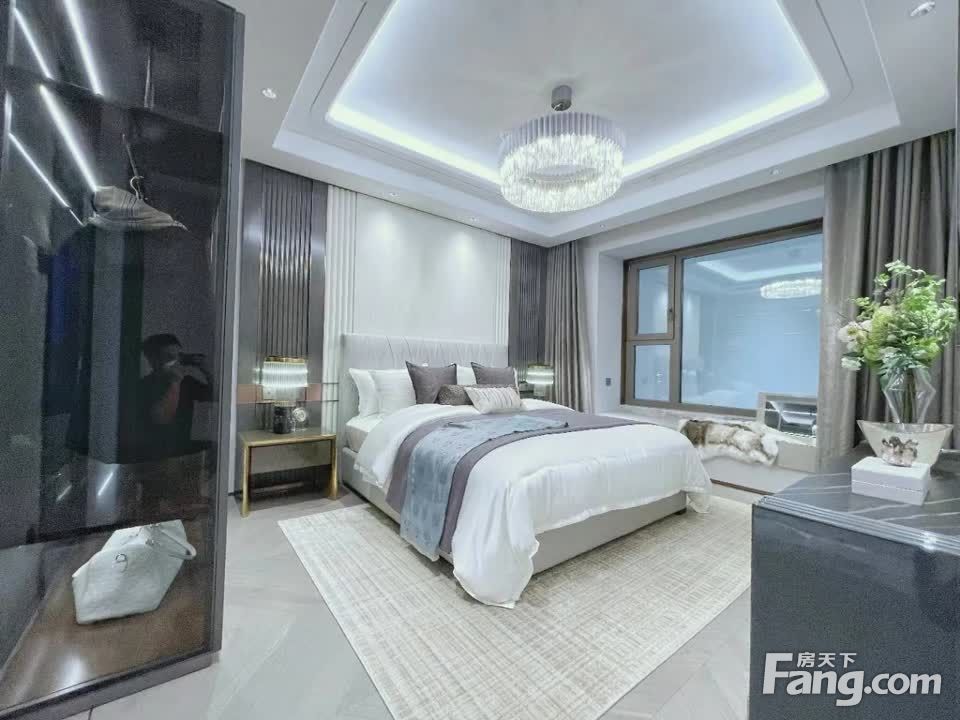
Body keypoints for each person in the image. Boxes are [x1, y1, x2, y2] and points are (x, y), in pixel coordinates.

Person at [139, 334, 212, 460]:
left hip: (182, 454)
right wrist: (175, 383)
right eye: (169, 357)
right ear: (153, 360)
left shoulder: (187, 383)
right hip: (152, 457)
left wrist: (206, 369)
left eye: (179, 356)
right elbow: (161, 419)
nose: (176, 362)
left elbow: (220, 396)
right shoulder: (143, 386)